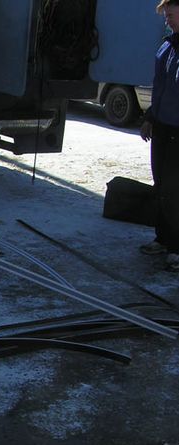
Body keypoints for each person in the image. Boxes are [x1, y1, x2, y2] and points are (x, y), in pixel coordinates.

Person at [139, 0, 179, 272]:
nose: (168, 20)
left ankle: (177, 247)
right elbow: (162, 87)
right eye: (166, 16)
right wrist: (150, 118)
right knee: (161, 186)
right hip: (163, 126)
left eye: (172, 15)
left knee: (175, 191)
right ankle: (163, 239)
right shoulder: (168, 45)